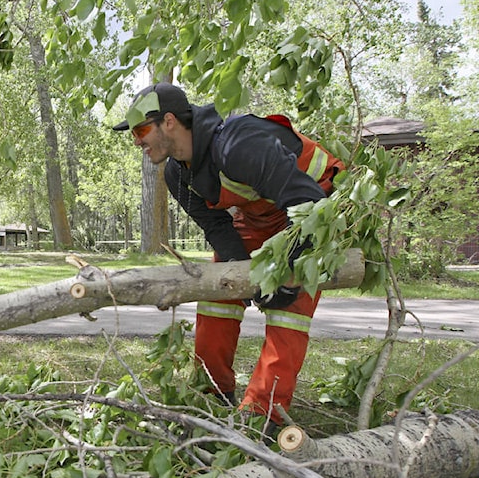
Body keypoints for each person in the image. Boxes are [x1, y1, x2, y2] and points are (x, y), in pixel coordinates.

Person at [113, 83, 344, 436]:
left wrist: (287, 270)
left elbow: (309, 203)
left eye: (142, 130)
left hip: (313, 208)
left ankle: (262, 415)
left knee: (288, 308)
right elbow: (217, 227)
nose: (138, 142)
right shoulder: (177, 173)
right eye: (134, 134)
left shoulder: (238, 144)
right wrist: (248, 278)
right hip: (259, 215)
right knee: (218, 291)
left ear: (170, 121)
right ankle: (210, 391)